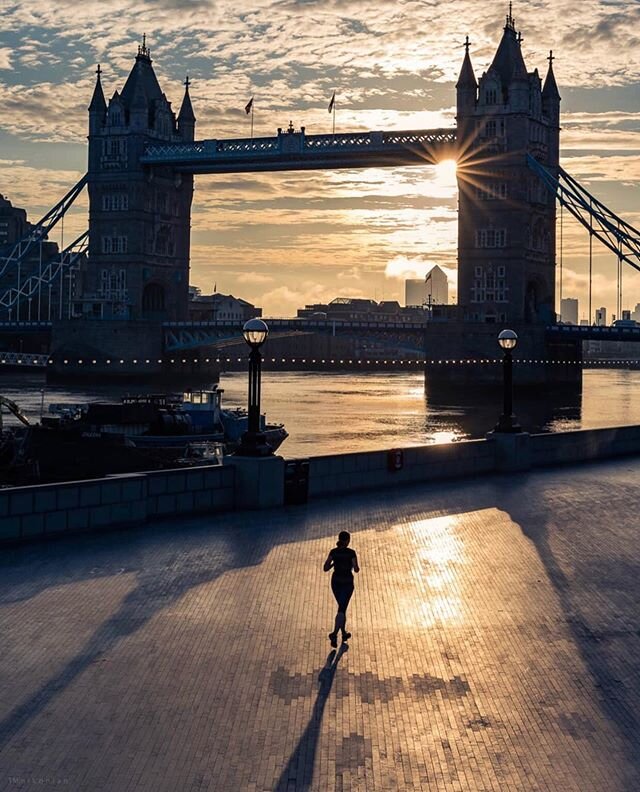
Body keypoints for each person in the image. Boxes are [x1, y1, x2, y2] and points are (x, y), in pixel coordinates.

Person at [323, 530, 359, 647]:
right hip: (347, 583)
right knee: (342, 609)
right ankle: (334, 634)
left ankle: (343, 633)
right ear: (348, 540)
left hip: (336, 583)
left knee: (341, 608)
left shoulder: (333, 552)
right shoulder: (351, 553)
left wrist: (335, 563)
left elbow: (326, 567)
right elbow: (356, 568)